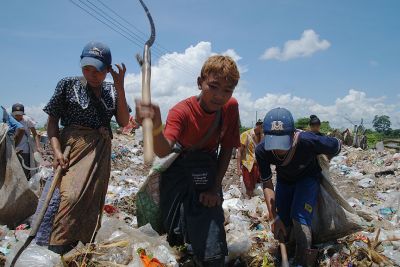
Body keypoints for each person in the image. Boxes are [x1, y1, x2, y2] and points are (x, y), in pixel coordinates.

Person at [136, 55, 240, 266]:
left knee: (211, 225)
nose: (220, 96)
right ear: (200, 82)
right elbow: (164, 149)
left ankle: (211, 257)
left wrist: (214, 187)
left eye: (227, 90)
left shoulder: (230, 107)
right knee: (175, 231)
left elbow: (227, 148)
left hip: (207, 167)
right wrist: (155, 125)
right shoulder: (181, 111)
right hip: (179, 167)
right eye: (213, 86)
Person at [42, 41, 129, 254]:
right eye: (87, 68)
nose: (92, 74)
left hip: (100, 150)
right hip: (73, 148)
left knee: (91, 199)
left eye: (98, 70)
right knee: (69, 197)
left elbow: (124, 121)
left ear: (108, 70)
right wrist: (57, 151)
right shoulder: (67, 85)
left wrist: (120, 86)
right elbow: (52, 123)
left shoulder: (111, 90)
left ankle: (81, 247)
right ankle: (57, 245)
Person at [255, 107, 341, 266]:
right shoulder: (262, 150)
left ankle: (302, 260)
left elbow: (336, 145)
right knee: (284, 219)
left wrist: (325, 156)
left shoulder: (308, 141)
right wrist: (274, 217)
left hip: (307, 178)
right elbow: (267, 183)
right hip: (285, 180)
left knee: (299, 217)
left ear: (293, 134)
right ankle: (286, 251)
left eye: (282, 143)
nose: (278, 149)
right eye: (273, 143)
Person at [11, 103, 42, 179]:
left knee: (26, 171)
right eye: (16, 114)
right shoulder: (10, 121)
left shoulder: (27, 120)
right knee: (14, 172)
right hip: (13, 150)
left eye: (20, 114)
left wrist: (38, 147)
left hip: (25, 150)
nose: (18, 116)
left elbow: (35, 134)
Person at [236, 119, 263, 198]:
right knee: (249, 187)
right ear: (258, 126)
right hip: (248, 166)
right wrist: (238, 168)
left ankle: (255, 203)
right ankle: (249, 203)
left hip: (259, 165)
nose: (263, 129)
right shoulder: (246, 135)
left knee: (259, 185)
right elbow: (239, 152)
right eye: (261, 126)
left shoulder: (263, 136)